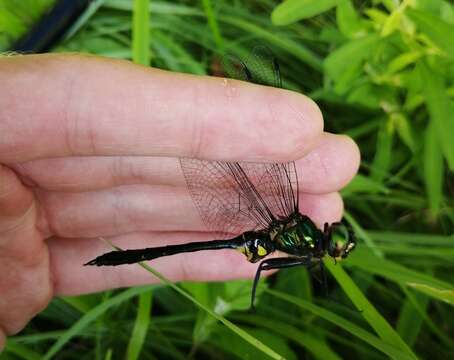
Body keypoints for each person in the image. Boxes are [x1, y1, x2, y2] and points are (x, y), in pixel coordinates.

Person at [0, 54, 360, 350]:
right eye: (335, 249)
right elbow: (273, 266)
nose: (331, 248)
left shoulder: (306, 237)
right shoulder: (311, 248)